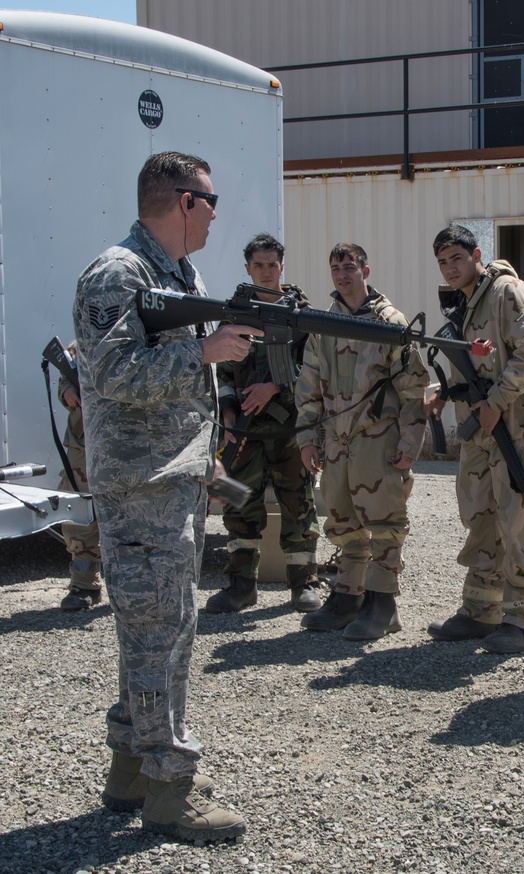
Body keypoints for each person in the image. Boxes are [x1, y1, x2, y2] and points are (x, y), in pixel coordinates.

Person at [73, 151, 250, 841]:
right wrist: (204, 354)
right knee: (161, 639)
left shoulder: (178, 275)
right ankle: (171, 788)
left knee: (158, 631)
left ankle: (131, 767)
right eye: (210, 201)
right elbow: (113, 371)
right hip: (140, 489)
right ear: (183, 202)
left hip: (169, 479)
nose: (214, 214)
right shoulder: (119, 272)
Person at [425, 225, 524, 655]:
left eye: (457, 258)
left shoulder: (506, 292)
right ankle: (482, 611)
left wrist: (498, 400)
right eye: (443, 262)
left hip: (516, 432)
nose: (449, 268)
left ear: (476, 254)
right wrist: (444, 392)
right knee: (481, 520)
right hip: (481, 434)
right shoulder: (466, 302)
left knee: (520, 527)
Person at [296, 243, 429, 640]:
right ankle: (347, 596)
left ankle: (383, 603)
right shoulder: (324, 324)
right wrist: (307, 438)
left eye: (349, 266)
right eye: (335, 267)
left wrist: (410, 441)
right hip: (337, 442)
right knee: (342, 519)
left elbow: (412, 388)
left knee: (385, 521)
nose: (342, 274)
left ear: (365, 271)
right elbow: (308, 385)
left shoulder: (389, 321)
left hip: (378, 439)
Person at [206, 232, 322, 614]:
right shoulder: (237, 312)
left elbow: (315, 366)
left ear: (282, 266)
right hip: (243, 429)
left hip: (288, 427)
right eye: (259, 265)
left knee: (297, 503)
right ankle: (241, 584)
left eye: (273, 264)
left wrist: (275, 386)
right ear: (248, 268)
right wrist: (227, 413)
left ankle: (303, 584)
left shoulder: (301, 314)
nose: (267, 271)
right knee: (238, 501)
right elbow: (221, 370)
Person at [53, 344, 104, 611]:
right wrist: (67, 391)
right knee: (79, 510)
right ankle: (85, 583)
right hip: (83, 442)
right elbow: (66, 375)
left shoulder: (141, 328)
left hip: (129, 441)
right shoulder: (82, 340)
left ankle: (138, 587)